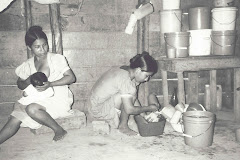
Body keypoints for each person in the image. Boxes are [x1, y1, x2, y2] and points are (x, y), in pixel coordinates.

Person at [0, 25, 76, 144]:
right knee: (16, 116)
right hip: (38, 99)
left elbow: (71, 78)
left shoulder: (57, 59)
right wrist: (28, 80)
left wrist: (50, 84)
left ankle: (59, 130)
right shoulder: (28, 64)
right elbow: (20, 84)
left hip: (57, 99)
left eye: (45, 45)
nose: (43, 49)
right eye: (37, 47)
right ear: (30, 47)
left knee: (31, 108)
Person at [87, 51, 160, 136]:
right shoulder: (126, 80)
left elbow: (134, 97)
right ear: (138, 70)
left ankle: (122, 121)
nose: (147, 79)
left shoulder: (125, 70)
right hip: (98, 111)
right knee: (128, 97)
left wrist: (143, 115)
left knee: (129, 94)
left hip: (93, 105)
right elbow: (130, 109)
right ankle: (123, 126)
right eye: (146, 75)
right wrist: (149, 108)